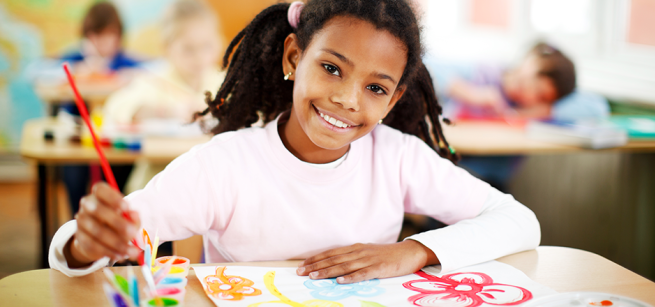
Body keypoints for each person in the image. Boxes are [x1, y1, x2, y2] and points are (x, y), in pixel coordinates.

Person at [49, 0, 540, 284]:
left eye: (375, 88)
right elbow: (89, 248)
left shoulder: (397, 158)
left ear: (394, 100)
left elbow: (519, 221)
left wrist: (411, 252)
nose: (348, 100)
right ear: (292, 58)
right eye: (331, 68)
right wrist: (83, 245)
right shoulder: (225, 165)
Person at [101, 0, 225, 194]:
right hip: (154, 186)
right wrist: (165, 111)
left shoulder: (222, 81)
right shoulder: (155, 79)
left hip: (209, 187)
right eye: (188, 49)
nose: (200, 57)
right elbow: (114, 108)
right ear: (167, 47)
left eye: (206, 46)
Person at [60, 1, 140, 215]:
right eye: (95, 36)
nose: (101, 42)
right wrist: (82, 69)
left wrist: (120, 75)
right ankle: (75, 227)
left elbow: (155, 69)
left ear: (119, 36)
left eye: (108, 35)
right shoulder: (76, 60)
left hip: (113, 138)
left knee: (118, 178)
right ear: (87, 37)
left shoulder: (124, 62)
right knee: (74, 172)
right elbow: (39, 71)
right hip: (78, 138)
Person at [444, 43, 576, 120]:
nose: (529, 90)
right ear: (533, 54)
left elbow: (592, 107)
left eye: (540, 96)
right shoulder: (483, 71)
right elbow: (431, 71)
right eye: (536, 76)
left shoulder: (518, 112)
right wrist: (471, 94)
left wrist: (544, 111)